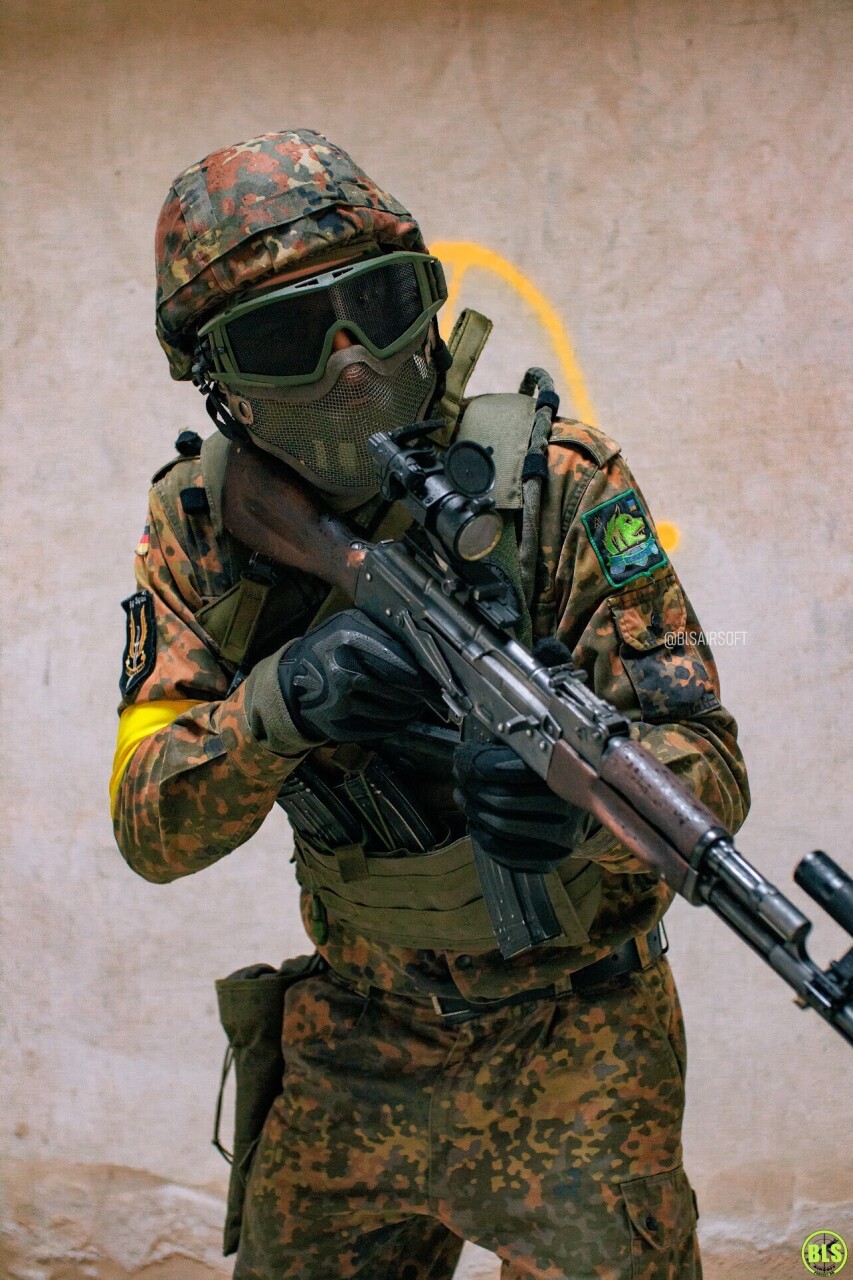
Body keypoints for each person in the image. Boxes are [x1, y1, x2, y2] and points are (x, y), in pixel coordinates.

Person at [111, 128, 750, 1280]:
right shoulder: (206, 523)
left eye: (378, 305)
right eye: (290, 335)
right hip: (358, 1041)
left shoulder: (559, 479)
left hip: (581, 1046)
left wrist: (577, 814)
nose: (352, 362)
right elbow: (151, 828)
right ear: (222, 385)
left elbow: (703, 755)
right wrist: (281, 704)